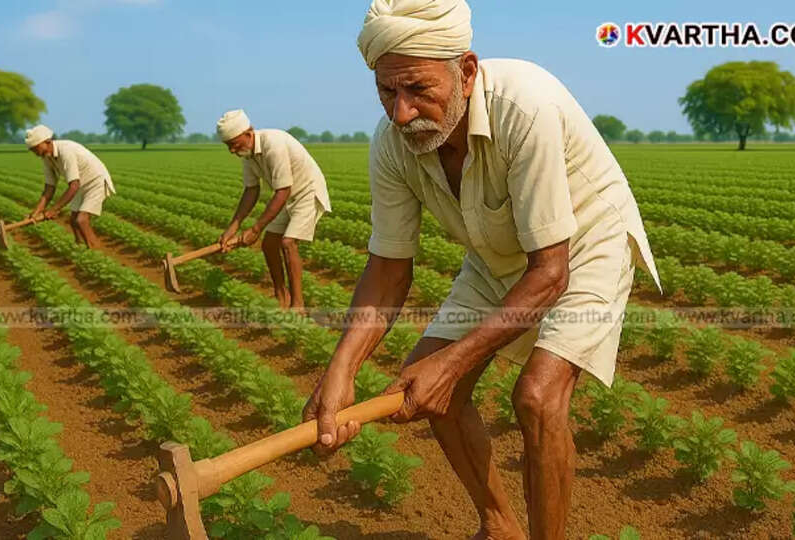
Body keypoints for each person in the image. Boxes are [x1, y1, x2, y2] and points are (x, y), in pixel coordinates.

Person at [302, 1, 662, 538]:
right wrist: (342, 371)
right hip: (496, 256)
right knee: (425, 389)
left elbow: (550, 272)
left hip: (584, 247)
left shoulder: (525, 106)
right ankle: (499, 525)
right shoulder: (392, 144)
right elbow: (388, 267)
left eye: (418, 89)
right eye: (387, 92)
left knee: (538, 398)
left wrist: (451, 364)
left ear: (466, 71)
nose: (402, 112)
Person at [216, 110, 332, 309]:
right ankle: (281, 293)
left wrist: (255, 229)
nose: (232, 150)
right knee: (269, 245)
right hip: (287, 196)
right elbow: (251, 191)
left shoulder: (273, 145)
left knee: (287, 243)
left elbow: (283, 190)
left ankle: (298, 304)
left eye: (234, 144)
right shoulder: (248, 156)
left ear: (249, 133)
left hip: (307, 191)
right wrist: (233, 227)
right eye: (228, 146)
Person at [25, 124, 116, 249]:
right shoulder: (46, 158)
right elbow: (49, 188)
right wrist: (36, 212)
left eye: (36, 147)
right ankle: (79, 249)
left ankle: (95, 251)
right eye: (32, 149)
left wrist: (54, 210)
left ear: (47, 141)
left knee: (81, 220)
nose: (34, 152)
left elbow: (73, 186)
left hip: (96, 181)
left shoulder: (66, 151)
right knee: (73, 221)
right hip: (81, 184)